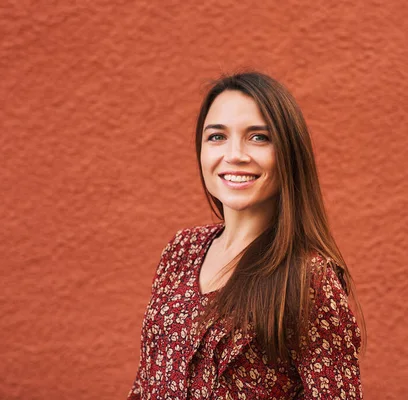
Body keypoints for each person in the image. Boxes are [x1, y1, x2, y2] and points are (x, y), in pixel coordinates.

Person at [127, 71, 366, 399]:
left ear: (288, 153)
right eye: (216, 137)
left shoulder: (307, 276)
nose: (235, 154)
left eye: (258, 137)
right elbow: (147, 381)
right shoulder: (181, 250)